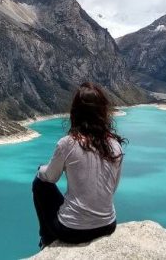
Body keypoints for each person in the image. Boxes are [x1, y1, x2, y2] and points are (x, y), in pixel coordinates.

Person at [32, 82, 126, 249]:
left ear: (75, 113)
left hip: (72, 231)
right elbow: (113, 188)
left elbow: (50, 177)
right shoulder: (115, 146)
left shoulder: (67, 144)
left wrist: (40, 169)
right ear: (103, 113)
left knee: (40, 184)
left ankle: (46, 239)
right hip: (108, 225)